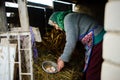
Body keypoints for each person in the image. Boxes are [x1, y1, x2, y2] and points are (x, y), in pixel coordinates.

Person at [48, 10, 106, 80]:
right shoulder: (70, 17)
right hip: (97, 40)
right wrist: (62, 57)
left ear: (57, 20)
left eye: (54, 24)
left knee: (92, 72)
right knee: (91, 67)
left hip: (98, 40)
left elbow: (71, 42)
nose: (56, 28)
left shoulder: (68, 20)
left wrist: (63, 59)